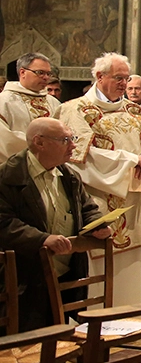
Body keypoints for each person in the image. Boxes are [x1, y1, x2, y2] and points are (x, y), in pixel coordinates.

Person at [58, 53, 141, 306]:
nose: (124, 83)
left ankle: (127, 316)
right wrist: (129, 160)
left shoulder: (138, 111)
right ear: (99, 76)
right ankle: (95, 323)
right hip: (98, 195)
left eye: (126, 78)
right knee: (99, 261)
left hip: (133, 195)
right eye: (118, 78)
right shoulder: (76, 109)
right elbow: (80, 156)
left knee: (130, 262)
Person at [0, 118, 111, 331]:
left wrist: (97, 225)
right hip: (24, 276)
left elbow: (87, 208)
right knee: (32, 340)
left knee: (60, 333)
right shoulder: (7, 177)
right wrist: (42, 239)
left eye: (72, 139)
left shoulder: (67, 174)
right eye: (65, 140)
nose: (73, 145)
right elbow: (4, 224)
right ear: (39, 142)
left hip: (65, 272)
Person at [0, 52, 60, 161]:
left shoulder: (53, 102)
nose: (46, 77)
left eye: (48, 73)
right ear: (22, 72)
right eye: (40, 73)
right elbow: (5, 139)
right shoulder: (4, 101)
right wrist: (44, 150)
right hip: (16, 166)